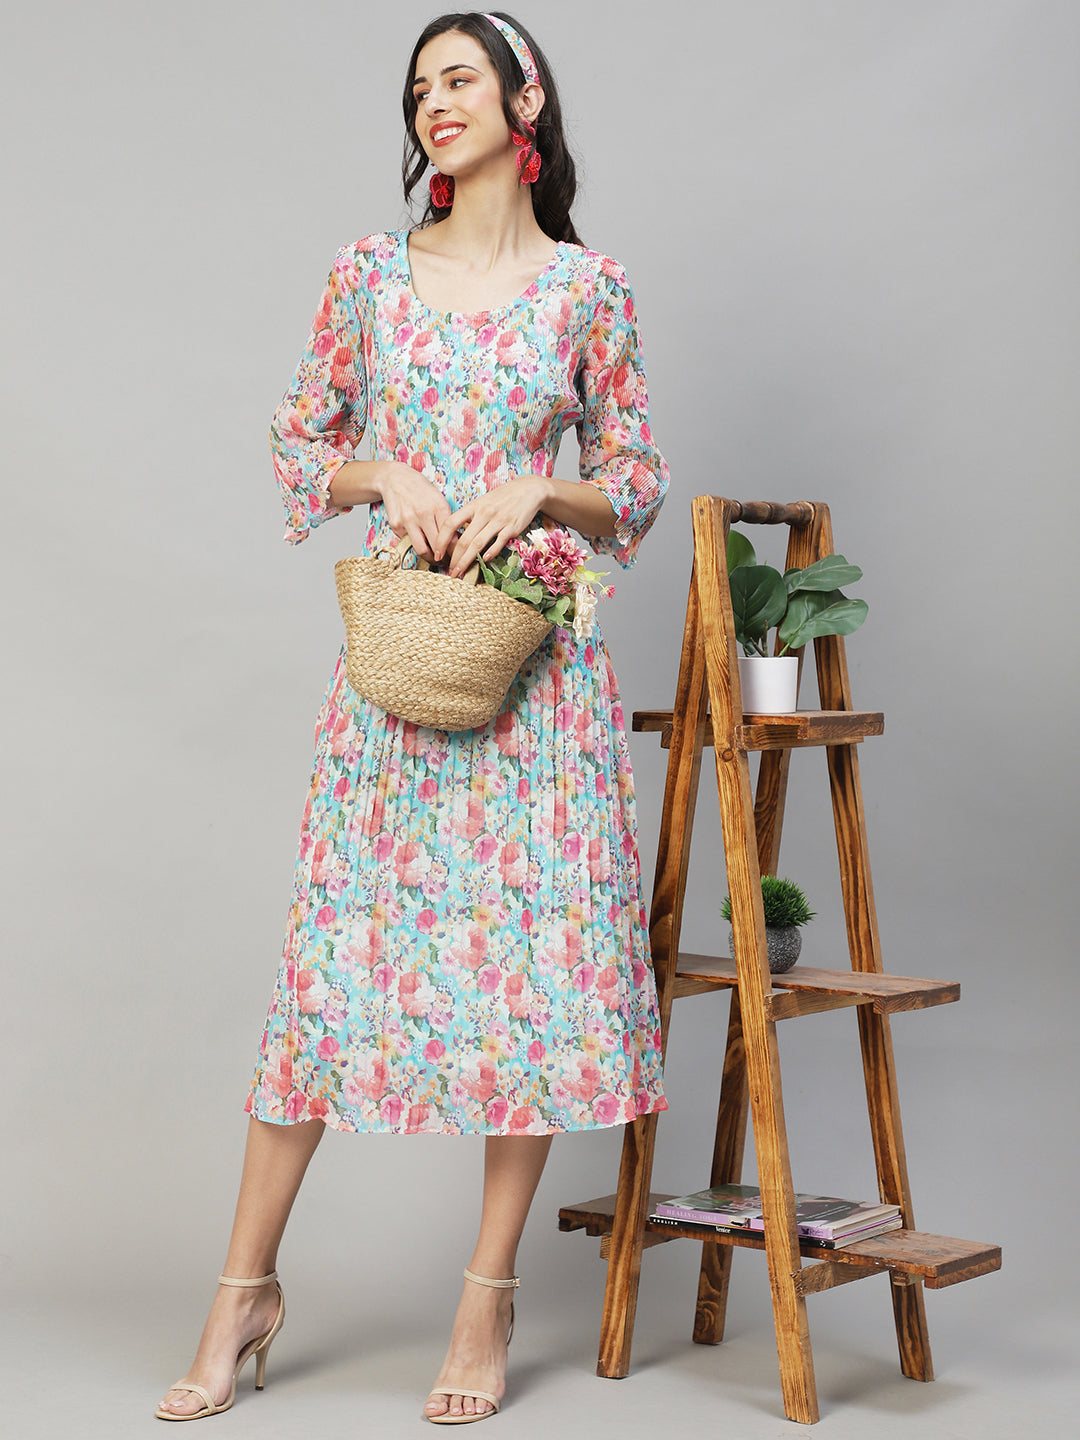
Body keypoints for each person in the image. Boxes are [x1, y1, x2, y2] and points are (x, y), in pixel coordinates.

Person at [156, 10, 669, 1426]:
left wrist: (539, 486)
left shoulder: (590, 289)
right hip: (399, 669)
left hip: (536, 672)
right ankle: (242, 1290)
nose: (436, 104)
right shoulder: (368, 275)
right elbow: (298, 441)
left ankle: (485, 1297)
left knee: (533, 975)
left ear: (525, 99)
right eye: (420, 88)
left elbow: (633, 478)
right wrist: (384, 476)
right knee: (331, 971)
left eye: (461, 80)